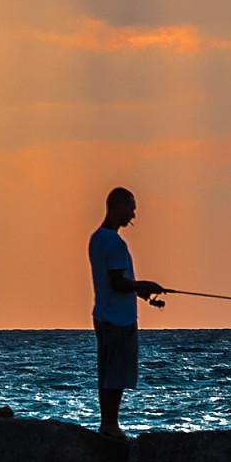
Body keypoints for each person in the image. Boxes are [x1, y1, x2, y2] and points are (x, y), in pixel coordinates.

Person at [89, 186, 164, 436]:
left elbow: (115, 283)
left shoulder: (97, 238)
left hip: (102, 314)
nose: (133, 215)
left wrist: (140, 292)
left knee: (107, 373)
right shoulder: (115, 243)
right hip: (119, 319)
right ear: (119, 207)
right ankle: (111, 425)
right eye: (131, 209)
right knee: (117, 375)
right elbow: (117, 282)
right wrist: (144, 285)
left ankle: (106, 423)